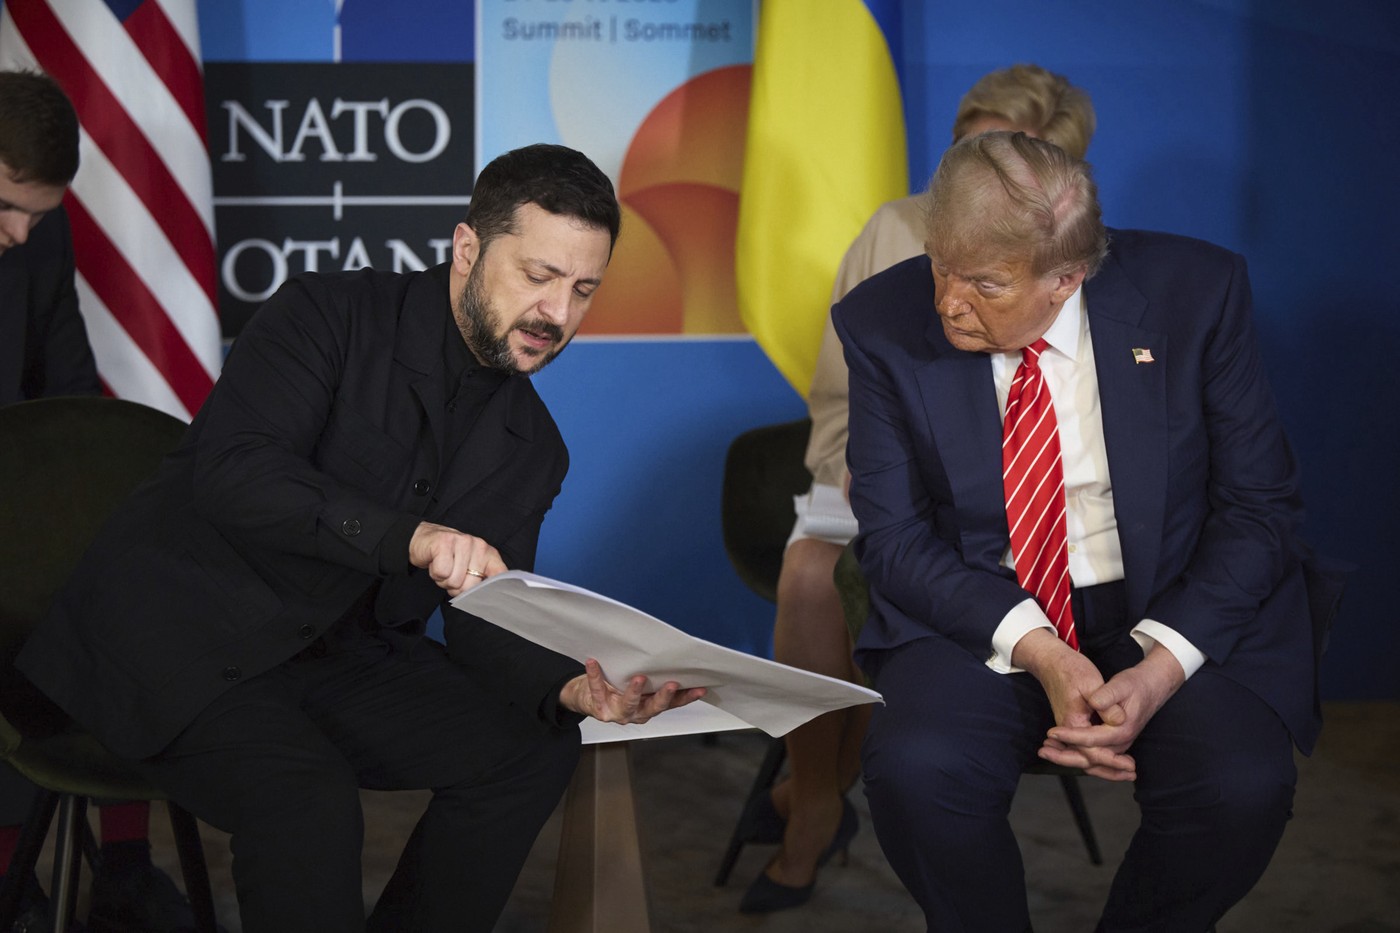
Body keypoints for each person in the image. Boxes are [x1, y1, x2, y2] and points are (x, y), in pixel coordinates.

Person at [16, 142, 705, 932]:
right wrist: (410, 537)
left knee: (534, 747)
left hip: (334, 656)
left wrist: (570, 688)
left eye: (583, 289)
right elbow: (235, 471)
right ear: (468, 248)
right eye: (538, 276)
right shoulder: (326, 312)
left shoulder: (535, 447)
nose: (557, 313)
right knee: (306, 799)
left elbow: (488, 620)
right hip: (184, 630)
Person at [836, 130, 1334, 931]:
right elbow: (894, 539)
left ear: (1066, 277)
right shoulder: (881, 322)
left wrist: (1160, 669)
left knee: (1241, 785)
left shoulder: (1196, 295)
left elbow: (1259, 509)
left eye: (986, 283)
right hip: (985, 605)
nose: (947, 302)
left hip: (1170, 599)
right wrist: (1041, 650)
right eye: (940, 265)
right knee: (915, 771)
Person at [739, 64, 1096, 913]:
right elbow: (836, 395)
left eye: (1011, 159)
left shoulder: (1075, 257)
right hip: (869, 475)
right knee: (813, 575)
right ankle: (814, 799)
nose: (983, 178)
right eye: (971, 150)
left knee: (909, 596)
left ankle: (824, 792)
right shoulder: (892, 229)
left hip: (1010, 509)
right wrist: (865, 467)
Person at [0, 68, 208, 933]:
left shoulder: (39, 235)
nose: (20, 233)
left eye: (38, 215)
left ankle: (124, 862)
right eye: (5, 207)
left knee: (134, 588)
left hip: (17, 502)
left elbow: (68, 387)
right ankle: (12, 882)